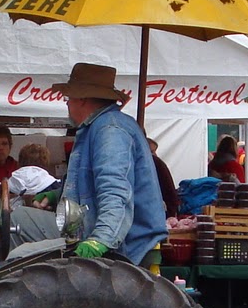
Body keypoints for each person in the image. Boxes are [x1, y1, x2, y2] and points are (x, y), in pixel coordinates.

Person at [53, 62, 167, 267]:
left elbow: (115, 191)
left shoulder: (110, 130)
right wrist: (54, 194)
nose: (67, 104)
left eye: (68, 98)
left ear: (82, 98)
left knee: (21, 250)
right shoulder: (100, 126)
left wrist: (100, 240)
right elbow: (90, 184)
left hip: (127, 251)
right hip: (114, 242)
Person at [148, 138, 180, 219]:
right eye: (152, 151)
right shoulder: (156, 163)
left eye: (155, 151)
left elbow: (169, 190)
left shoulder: (157, 164)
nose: (155, 154)